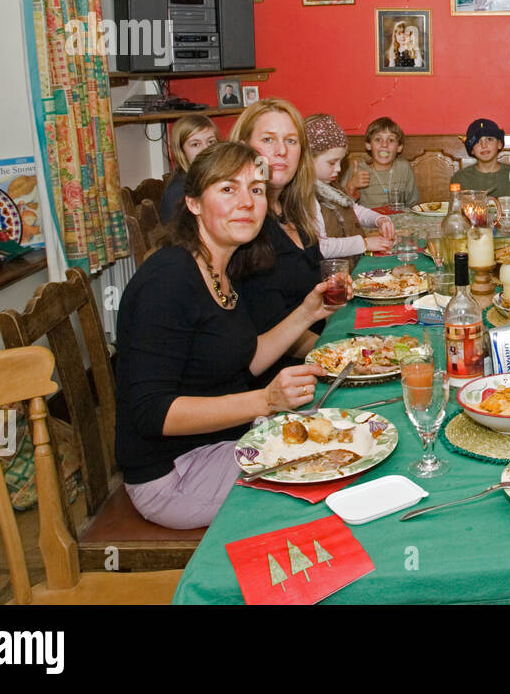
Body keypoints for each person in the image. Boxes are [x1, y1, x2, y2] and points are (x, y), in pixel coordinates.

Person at [114, 142, 342, 529]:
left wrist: (308, 312)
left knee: (349, 430)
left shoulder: (223, 267)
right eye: (227, 189)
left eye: (255, 189)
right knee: (333, 473)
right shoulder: (168, 279)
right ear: (193, 203)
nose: (247, 202)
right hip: (173, 475)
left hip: (222, 443)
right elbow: (152, 413)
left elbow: (247, 358)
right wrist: (265, 401)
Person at [231, 98, 326, 355]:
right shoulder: (244, 226)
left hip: (315, 351)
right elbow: (267, 327)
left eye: (291, 141)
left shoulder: (294, 213)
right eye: (268, 140)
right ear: (243, 149)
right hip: (281, 375)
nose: (282, 151)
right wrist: (337, 353)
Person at [304, 113, 395, 261]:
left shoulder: (330, 185)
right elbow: (321, 247)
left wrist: (378, 219)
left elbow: (353, 210)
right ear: (307, 160)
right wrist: (364, 243)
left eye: (340, 162)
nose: (339, 169)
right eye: (332, 163)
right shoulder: (306, 196)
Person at [453, 118, 510, 202]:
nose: (484, 145)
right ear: (472, 150)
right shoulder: (460, 178)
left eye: (489, 139)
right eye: (477, 141)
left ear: (499, 144)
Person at [346, 116, 420, 210]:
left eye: (391, 140)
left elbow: (414, 203)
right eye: (378, 139)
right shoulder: (357, 170)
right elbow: (341, 209)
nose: (384, 145)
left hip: (398, 222)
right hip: (369, 223)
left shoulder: (403, 167)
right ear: (368, 145)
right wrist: (351, 186)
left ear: (399, 147)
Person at [160, 114, 219, 222]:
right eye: (195, 144)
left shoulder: (213, 180)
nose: (205, 149)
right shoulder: (178, 192)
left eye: (211, 142)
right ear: (181, 151)